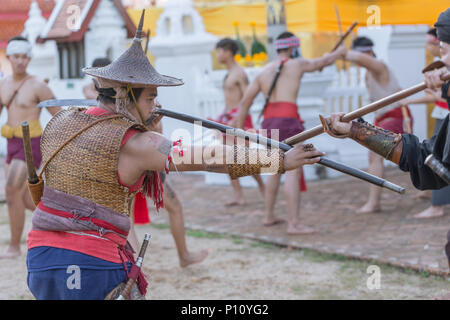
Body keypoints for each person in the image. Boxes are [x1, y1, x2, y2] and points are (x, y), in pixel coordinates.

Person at [25, 12, 325, 300]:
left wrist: (148, 124)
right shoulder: (135, 143)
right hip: (92, 263)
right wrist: (278, 161)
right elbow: (210, 157)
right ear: (126, 96)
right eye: (151, 97)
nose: (157, 104)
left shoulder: (62, 121)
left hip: (40, 256)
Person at [319, 7, 450, 299]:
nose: (439, 62)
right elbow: (428, 159)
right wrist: (357, 130)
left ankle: (373, 199)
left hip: (392, 114)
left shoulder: (376, 65)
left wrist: (341, 54)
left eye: (442, 50)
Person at [233, 31, 346, 235]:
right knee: (293, 170)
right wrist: (339, 52)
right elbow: (323, 62)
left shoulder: (262, 72)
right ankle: (294, 224)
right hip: (289, 121)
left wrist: (240, 134)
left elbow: (244, 103)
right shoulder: (298, 64)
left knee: (275, 169)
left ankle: (268, 216)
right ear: (293, 48)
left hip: (269, 123)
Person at [0, 36, 60, 259]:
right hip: (11, 143)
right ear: (9, 57)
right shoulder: (3, 85)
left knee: (9, 189)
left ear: (29, 59)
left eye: (25, 57)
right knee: (22, 198)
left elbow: (59, 116)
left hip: (31, 144)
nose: (21, 61)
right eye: (17, 56)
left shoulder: (38, 85)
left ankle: (15, 246)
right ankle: (58, 223)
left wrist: (55, 149)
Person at [128, 105, 209, 268]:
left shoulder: (149, 106)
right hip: (134, 162)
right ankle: (132, 267)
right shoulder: (128, 104)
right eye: (150, 97)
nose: (153, 100)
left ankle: (184, 255)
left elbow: (161, 140)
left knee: (174, 206)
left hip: (151, 164)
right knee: (127, 218)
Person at [343, 36, 414, 214]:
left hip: (395, 116)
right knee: (405, 154)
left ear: (369, 52)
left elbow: (359, 58)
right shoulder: (370, 73)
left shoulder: (379, 67)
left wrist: (342, 53)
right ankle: (431, 189)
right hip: (384, 118)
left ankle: (374, 203)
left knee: (377, 156)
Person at [400, 28, 450, 219]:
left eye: (438, 45)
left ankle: (437, 206)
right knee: (435, 158)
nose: (430, 47)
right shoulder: (441, 69)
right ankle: (434, 200)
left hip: (445, 115)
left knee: (440, 159)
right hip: (443, 115)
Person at [214, 38, 265, 207]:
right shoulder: (229, 73)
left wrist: (238, 119)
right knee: (229, 159)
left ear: (228, 52)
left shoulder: (239, 73)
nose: (218, 55)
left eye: (220, 51)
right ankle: (239, 196)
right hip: (228, 119)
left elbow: (247, 98)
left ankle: (263, 188)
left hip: (240, 120)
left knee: (244, 158)